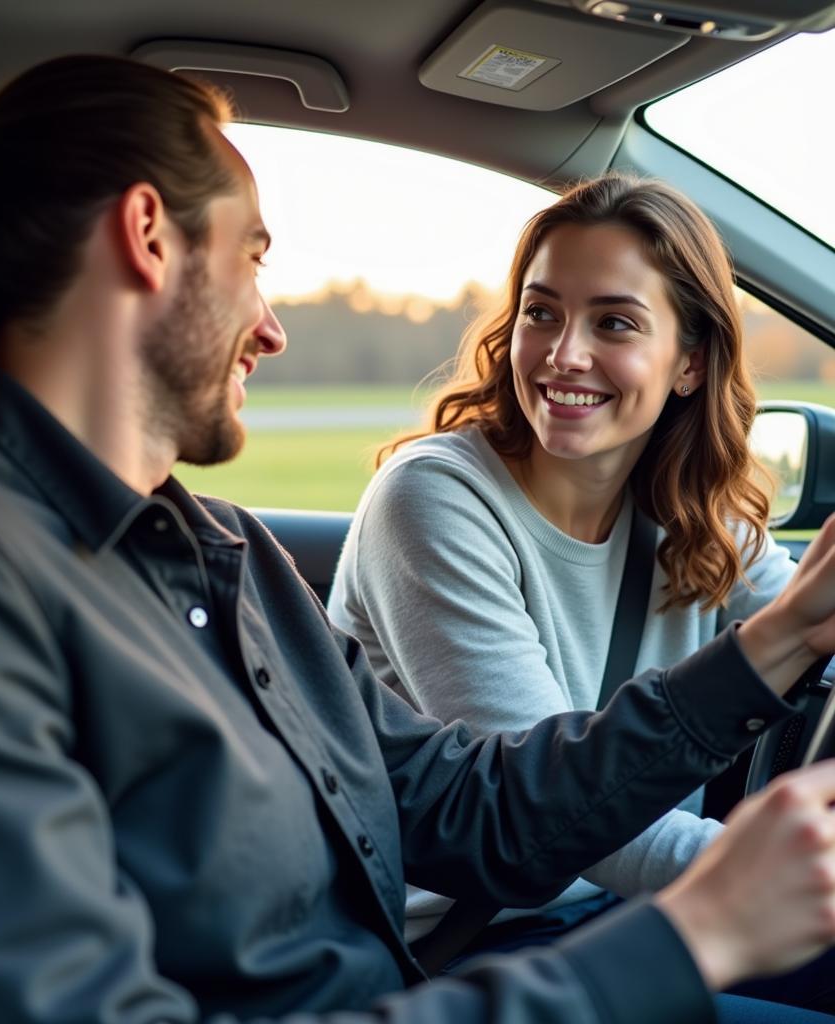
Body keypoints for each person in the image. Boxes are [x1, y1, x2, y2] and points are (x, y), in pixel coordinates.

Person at [0, 56, 835, 1024]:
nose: (271, 327)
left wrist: (782, 641)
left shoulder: (223, 554)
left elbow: (484, 810)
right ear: (147, 237)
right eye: (254, 258)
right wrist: (690, 935)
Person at [327, 175, 835, 1007]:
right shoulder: (435, 502)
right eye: (541, 312)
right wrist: (777, 878)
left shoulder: (692, 513)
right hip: (463, 954)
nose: (564, 353)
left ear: (690, 363)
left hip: (624, 908)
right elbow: (550, 822)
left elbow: (804, 623)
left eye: (614, 323)